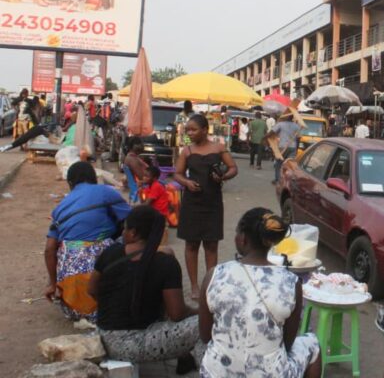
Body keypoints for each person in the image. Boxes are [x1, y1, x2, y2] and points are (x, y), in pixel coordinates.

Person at [199, 208, 321, 378]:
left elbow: (205, 336)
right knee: (312, 343)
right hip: (269, 373)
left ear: (243, 239)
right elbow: (287, 344)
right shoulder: (291, 282)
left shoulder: (214, 275)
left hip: (216, 372)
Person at [89, 206, 202, 371]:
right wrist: (202, 311)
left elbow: (91, 290)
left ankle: (186, 358)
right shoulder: (165, 263)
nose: (123, 233)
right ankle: (199, 364)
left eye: (125, 228)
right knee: (205, 322)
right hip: (135, 344)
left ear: (133, 233)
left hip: (104, 335)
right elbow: (177, 313)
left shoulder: (110, 252)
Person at [44, 161, 131, 321]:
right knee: (127, 233)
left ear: (70, 183)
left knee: (66, 245)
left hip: (72, 307)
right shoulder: (105, 192)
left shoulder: (60, 208)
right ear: (94, 178)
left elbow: (50, 249)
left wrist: (52, 283)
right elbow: (133, 220)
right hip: (106, 307)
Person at [174, 114, 238, 299]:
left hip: (213, 203)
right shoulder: (187, 151)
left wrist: (223, 176)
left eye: (193, 130)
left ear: (205, 130)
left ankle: (210, 284)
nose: (190, 133)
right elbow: (177, 173)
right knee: (191, 244)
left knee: (211, 245)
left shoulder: (219, 148)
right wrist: (186, 183)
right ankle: (194, 286)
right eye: (188, 130)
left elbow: (233, 168)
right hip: (192, 203)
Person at [266, 112, 301, 185]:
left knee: (278, 164)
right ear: (292, 118)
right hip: (293, 147)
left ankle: (278, 180)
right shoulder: (296, 126)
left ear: (286, 116)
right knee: (289, 165)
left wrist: (265, 137)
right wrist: (296, 149)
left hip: (282, 146)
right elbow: (298, 138)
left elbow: (271, 132)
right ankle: (288, 181)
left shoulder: (280, 124)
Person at [123, 136, 147, 202]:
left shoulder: (132, 157)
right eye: (139, 143)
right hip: (142, 186)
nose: (141, 145)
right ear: (133, 146)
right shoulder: (132, 159)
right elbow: (142, 177)